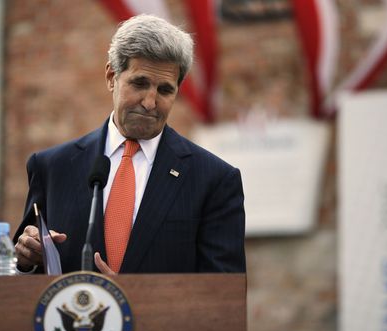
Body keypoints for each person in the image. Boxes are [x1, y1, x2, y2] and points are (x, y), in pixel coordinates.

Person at [13, 14, 246, 275]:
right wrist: (25, 261)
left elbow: (222, 294)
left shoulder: (213, 180)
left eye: (165, 90)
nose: (150, 102)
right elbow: (22, 287)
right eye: (140, 83)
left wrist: (133, 298)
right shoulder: (52, 168)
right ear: (112, 77)